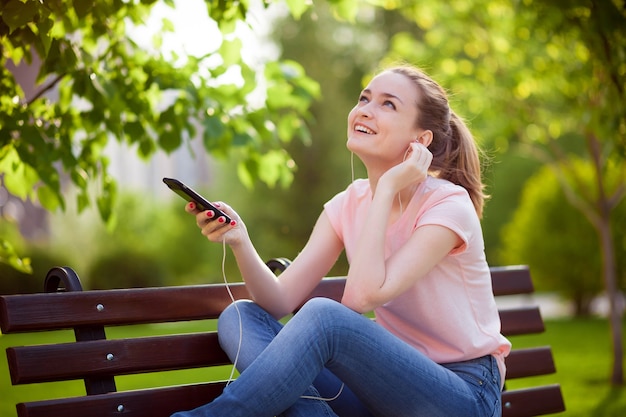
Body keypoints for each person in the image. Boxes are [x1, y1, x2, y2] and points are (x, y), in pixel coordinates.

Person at [171, 64, 511, 417]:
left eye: (388, 104)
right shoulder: (346, 204)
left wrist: (388, 187)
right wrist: (240, 240)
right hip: (382, 390)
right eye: (364, 98)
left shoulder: (447, 204)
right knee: (241, 316)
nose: (365, 109)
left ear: (420, 140)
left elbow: (360, 298)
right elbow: (278, 301)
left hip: (463, 395)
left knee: (325, 316)